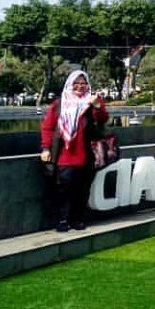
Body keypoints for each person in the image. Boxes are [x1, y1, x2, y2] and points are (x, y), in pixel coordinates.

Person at [40, 70, 108, 232]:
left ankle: (77, 219)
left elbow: (103, 120)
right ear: (70, 85)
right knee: (64, 188)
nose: (80, 87)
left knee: (83, 189)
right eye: (76, 84)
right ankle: (63, 219)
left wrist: (97, 106)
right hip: (65, 155)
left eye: (83, 84)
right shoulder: (59, 104)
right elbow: (48, 128)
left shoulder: (92, 102)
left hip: (87, 154)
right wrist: (45, 148)